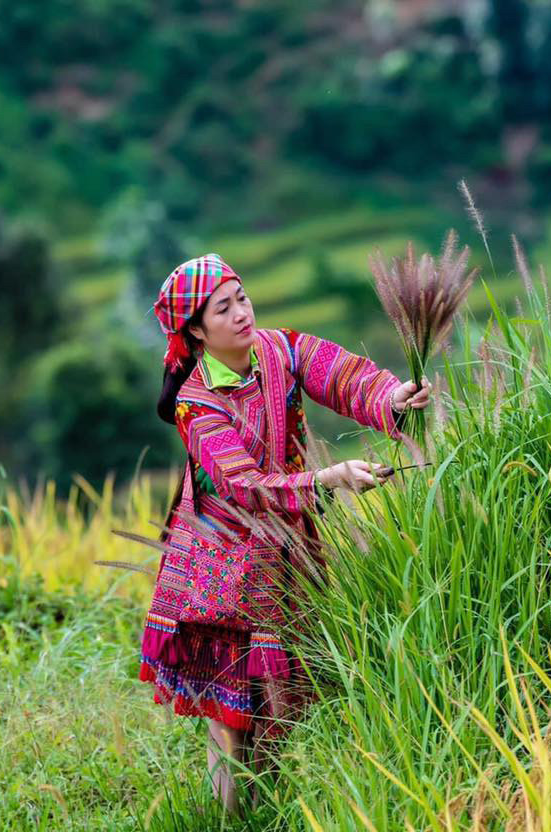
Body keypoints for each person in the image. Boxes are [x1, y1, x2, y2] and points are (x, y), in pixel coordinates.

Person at [138, 253, 430, 814]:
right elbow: (244, 486)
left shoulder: (281, 349)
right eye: (224, 308)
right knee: (230, 717)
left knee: (285, 701)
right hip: (218, 565)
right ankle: (228, 819)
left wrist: (393, 396)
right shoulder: (194, 405)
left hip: (288, 550)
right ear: (196, 330)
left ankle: (271, 812)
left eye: (242, 298)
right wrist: (329, 477)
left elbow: (344, 377)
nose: (243, 313)